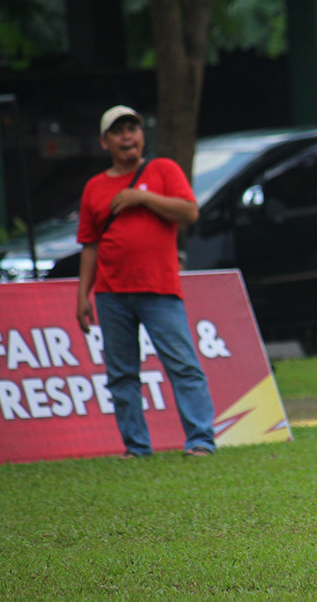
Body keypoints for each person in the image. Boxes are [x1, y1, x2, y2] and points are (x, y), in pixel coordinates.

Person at [75, 105, 216, 459]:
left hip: (159, 289)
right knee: (122, 375)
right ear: (104, 141)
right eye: (119, 131)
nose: (128, 137)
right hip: (110, 294)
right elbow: (90, 245)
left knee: (183, 365)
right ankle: (136, 447)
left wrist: (143, 197)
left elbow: (189, 212)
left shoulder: (162, 169)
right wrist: (83, 295)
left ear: (141, 136)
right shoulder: (94, 187)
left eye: (133, 129)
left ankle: (200, 441)